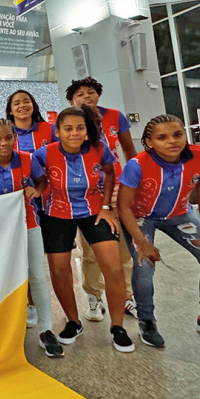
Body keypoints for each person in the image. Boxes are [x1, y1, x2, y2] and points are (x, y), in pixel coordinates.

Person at [33, 106, 134, 353]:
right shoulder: (43, 154)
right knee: (59, 271)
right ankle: (73, 322)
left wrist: (107, 206)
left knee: (113, 267)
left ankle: (118, 327)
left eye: (80, 128)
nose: (74, 133)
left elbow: (110, 173)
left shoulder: (100, 149)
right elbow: (38, 181)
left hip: (95, 211)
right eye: (68, 128)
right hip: (57, 214)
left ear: (87, 131)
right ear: (58, 131)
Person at [118, 114, 200, 346]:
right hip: (141, 217)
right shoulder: (137, 165)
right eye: (162, 137)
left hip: (179, 214)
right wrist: (142, 243)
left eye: (177, 134)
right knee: (144, 265)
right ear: (149, 142)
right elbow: (123, 207)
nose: (172, 141)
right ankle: (146, 320)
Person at [0, 120, 62, 358]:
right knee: (0, 276)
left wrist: (36, 190)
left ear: (14, 138)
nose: (3, 143)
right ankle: (3, 330)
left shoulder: (28, 159)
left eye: (8, 137)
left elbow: (42, 181)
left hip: (28, 224)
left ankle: (46, 329)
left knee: (37, 275)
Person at [66, 77, 138, 321]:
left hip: (116, 186)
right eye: (80, 94)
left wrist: (133, 181)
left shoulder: (115, 116)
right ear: (72, 101)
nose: (86, 96)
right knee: (89, 248)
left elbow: (129, 150)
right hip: (85, 192)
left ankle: (126, 296)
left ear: (98, 95)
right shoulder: (70, 122)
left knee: (122, 245)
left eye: (91, 92)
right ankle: (93, 296)